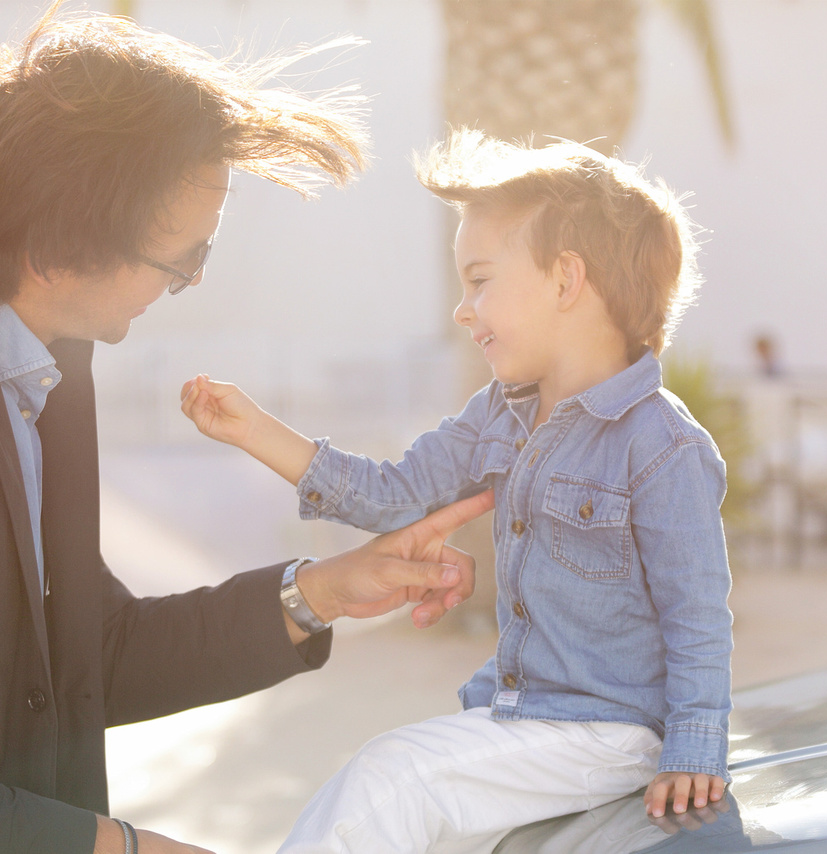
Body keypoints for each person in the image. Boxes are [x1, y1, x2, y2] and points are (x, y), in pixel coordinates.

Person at [0, 11, 496, 853]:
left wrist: (322, 592)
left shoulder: (33, 358)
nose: (188, 285)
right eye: (181, 263)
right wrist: (124, 849)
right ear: (57, 246)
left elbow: (88, 656)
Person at [181, 130, 733, 852]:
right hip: (520, 717)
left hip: (609, 732)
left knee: (392, 780)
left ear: (567, 281)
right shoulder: (497, 414)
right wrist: (258, 432)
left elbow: (698, 615)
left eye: (479, 280)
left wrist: (693, 751)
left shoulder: (664, 448)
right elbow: (392, 495)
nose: (462, 309)